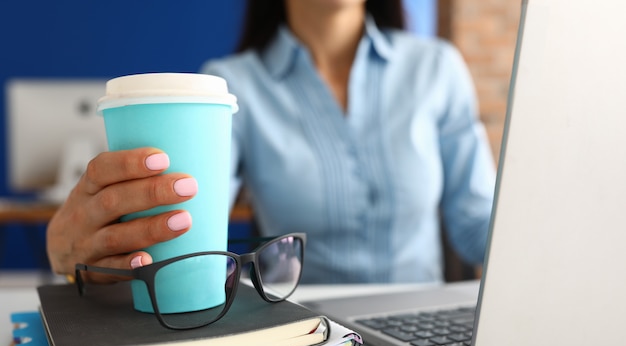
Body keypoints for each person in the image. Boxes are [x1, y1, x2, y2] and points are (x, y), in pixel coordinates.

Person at [46, 0, 495, 285]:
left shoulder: (437, 68)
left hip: (425, 326)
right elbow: (189, 236)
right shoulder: (229, 84)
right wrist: (88, 245)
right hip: (302, 333)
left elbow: (478, 230)